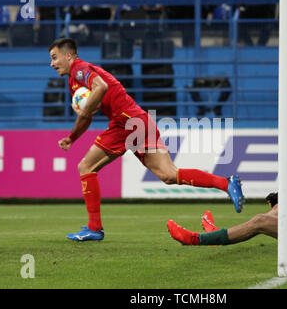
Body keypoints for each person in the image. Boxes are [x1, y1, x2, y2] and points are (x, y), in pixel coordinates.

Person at [48, 38, 245, 241]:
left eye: (55, 58)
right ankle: (226, 183)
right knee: (169, 174)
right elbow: (88, 114)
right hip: (139, 120)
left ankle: (94, 228)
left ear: (69, 55)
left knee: (86, 167)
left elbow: (101, 87)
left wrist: (86, 108)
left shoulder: (79, 69)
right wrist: (73, 137)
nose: (52, 63)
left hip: (125, 122)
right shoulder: (74, 82)